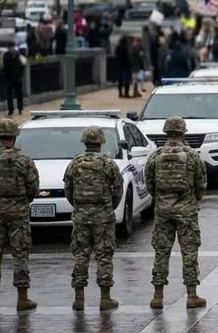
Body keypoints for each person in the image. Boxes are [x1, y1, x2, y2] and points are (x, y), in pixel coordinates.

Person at [145, 115, 208, 309]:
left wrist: (161, 199)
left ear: (166, 132)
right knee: (189, 252)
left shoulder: (156, 156)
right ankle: (192, 295)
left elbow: (149, 183)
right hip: (186, 211)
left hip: (163, 211)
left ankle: (157, 296)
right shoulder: (192, 155)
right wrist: (193, 199)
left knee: (161, 252)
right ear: (183, 132)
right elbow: (201, 183)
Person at [0, 118, 40, 311]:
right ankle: (22, 298)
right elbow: (33, 187)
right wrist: (23, 200)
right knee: (20, 253)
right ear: (14, 136)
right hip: (18, 212)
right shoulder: (24, 160)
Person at [64, 125, 124, 311]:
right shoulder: (108, 164)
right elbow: (118, 190)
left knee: (80, 255)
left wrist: (80, 206)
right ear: (101, 142)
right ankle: (105, 298)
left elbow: (68, 190)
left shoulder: (74, 164)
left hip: (81, 217)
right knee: (104, 256)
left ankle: (79, 299)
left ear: (85, 142)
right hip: (103, 217)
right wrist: (109, 207)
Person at [1, 43, 26, 116]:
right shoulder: (6, 55)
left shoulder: (18, 55)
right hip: (9, 79)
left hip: (17, 78)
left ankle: (20, 108)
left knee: (19, 94)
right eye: (10, 48)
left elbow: (23, 64)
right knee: (9, 95)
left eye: (12, 47)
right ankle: (10, 110)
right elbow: (6, 65)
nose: (11, 49)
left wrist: (20, 73)